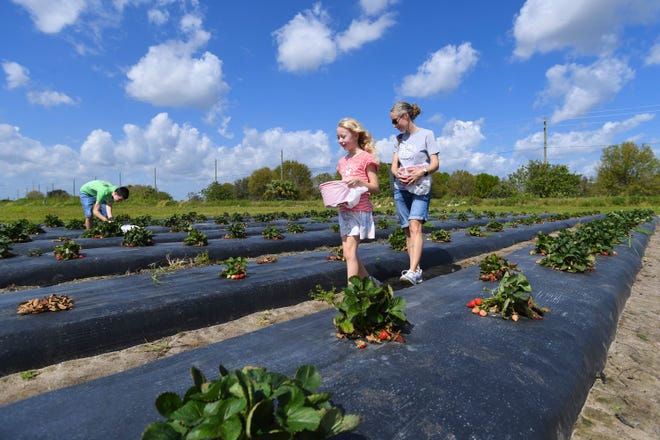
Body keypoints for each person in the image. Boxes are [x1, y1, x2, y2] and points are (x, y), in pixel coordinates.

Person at [390, 102, 440, 285]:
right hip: (401, 189)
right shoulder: (398, 139)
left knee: (415, 225)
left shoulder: (427, 135)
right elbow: (394, 165)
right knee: (407, 230)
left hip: (420, 188)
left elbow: (435, 163)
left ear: (405, 116)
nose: (394, 125)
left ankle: (412, 271)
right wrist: (398, 174)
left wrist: (421, 172)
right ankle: (416, 269)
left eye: (395, 121)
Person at [335, 117, 380, 284]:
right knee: (348, 253)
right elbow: (343, 188)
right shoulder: (342, 162)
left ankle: (351, 291)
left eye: (343, 136)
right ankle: (370, 282)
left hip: (360, 210)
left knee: (351, 252)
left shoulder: (366, 158)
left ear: (355, 135)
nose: (340, 141)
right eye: (338, 137)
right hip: (345, 210)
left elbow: (375, 187)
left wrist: (360, 183)